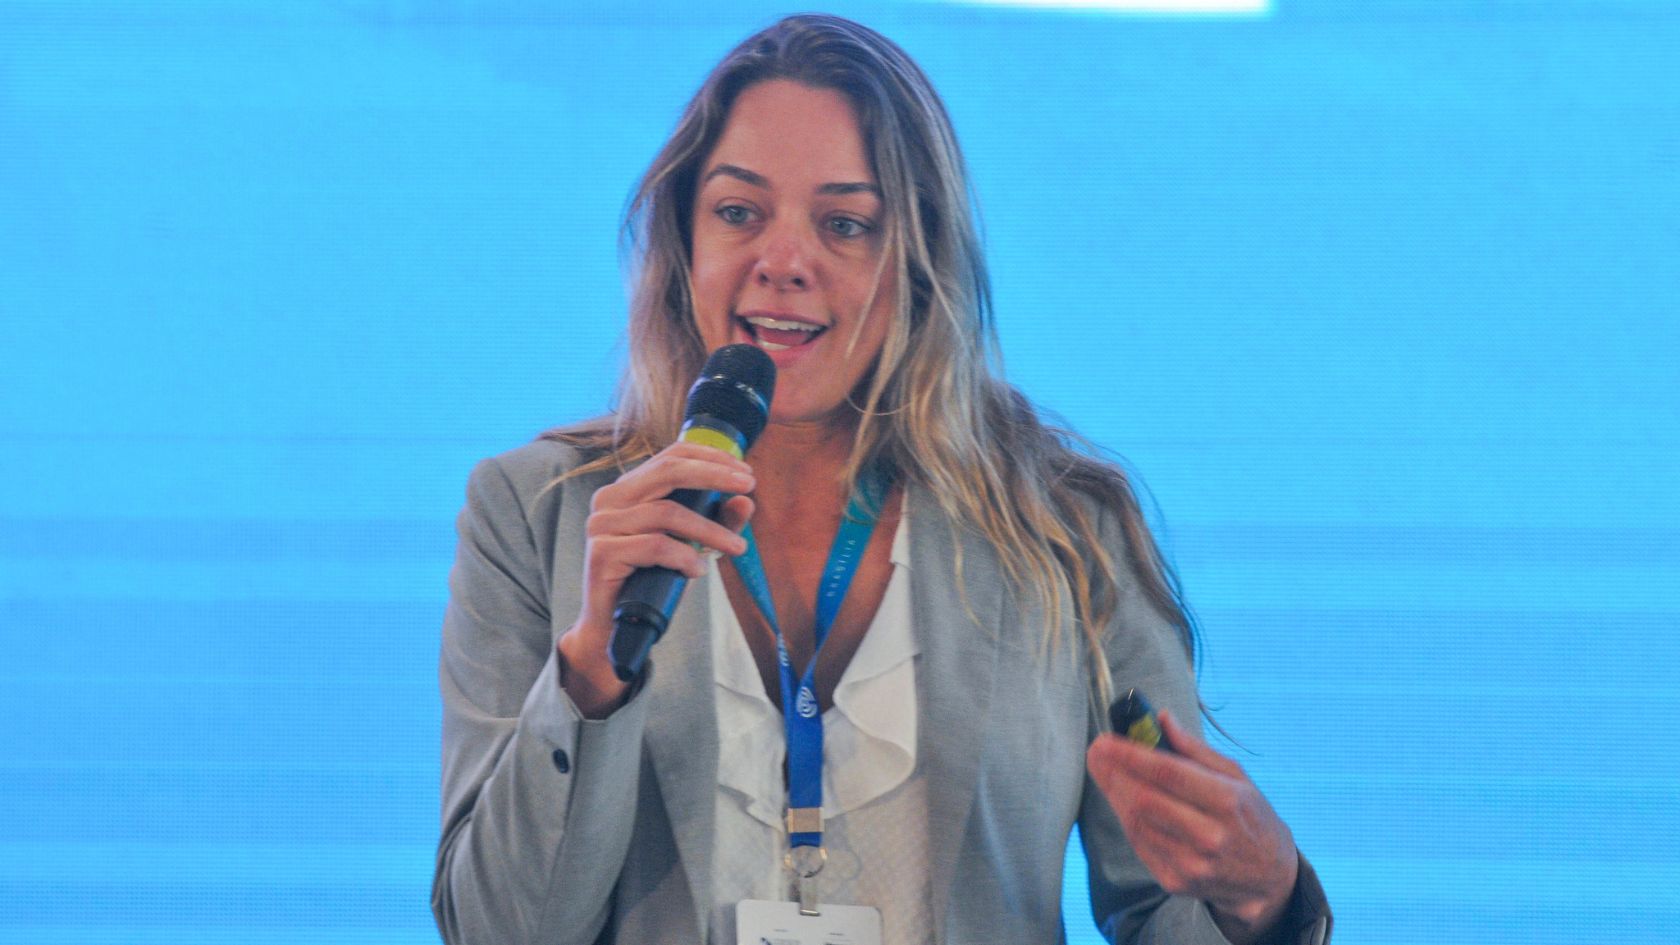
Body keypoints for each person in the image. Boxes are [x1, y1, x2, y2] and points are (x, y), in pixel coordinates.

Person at [431, 13, 1331, 945]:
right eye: (738, 212)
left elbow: (1167, 907)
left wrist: (1262, 901)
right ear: (681, 241)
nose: (784, 263)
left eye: (845, 224)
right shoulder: (535, 514)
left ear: (919, 260)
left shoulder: (1066, 528)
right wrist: (589, 672)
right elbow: (496, 931)